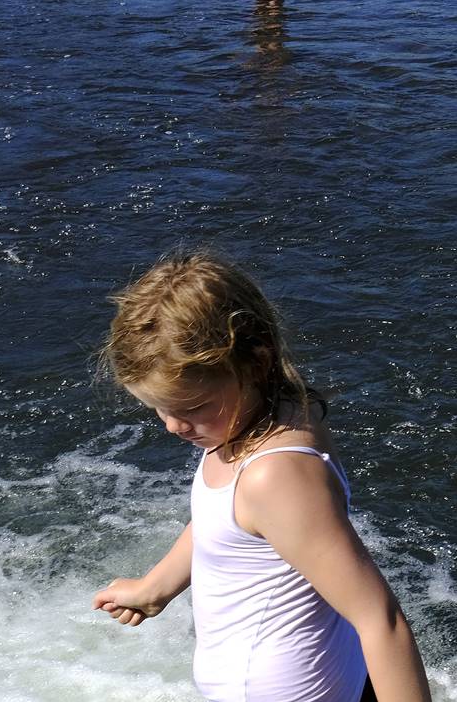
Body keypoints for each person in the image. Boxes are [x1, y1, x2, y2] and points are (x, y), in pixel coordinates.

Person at [92, 252, 431, 702]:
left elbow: (381, 621)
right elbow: (222, 521)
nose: (173, 426)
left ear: (255, 362)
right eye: (159, 408)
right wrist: (156, 588)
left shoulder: (274, 474)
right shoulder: (262, 416)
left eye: (191, 408)